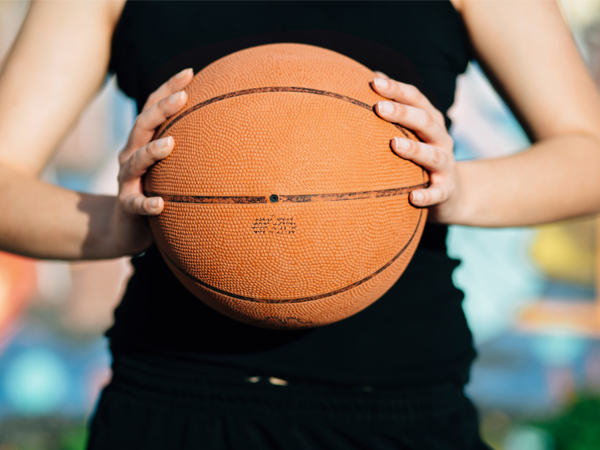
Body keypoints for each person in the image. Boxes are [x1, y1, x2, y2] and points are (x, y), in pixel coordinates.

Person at [1, 1, 600, 448]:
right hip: (172, 400)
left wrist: (458, 188)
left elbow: (587, 154)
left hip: (400, 407)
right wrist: (116, 225)